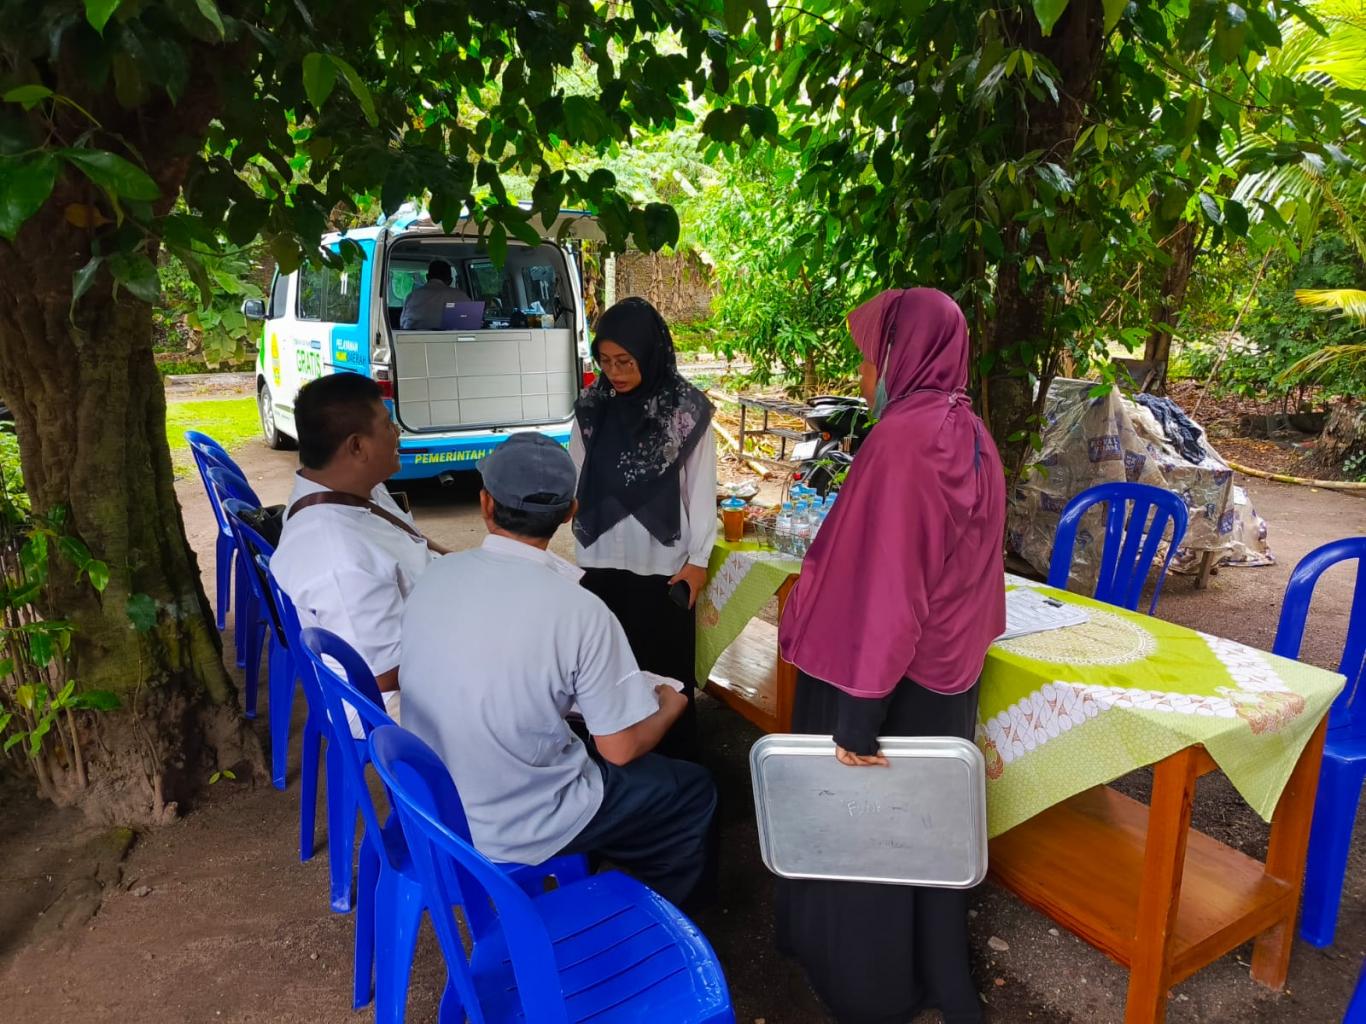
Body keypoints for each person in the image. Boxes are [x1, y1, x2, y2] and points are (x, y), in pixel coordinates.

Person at [774, 288, 1006, 1024]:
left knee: (867, 836)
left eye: (872, 358)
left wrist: (858, 718)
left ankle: (869, 990)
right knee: (923, 838)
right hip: (945, 678)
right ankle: (936, 975)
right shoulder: (969, 430)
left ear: (905, 355)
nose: (865, 375)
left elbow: (887, 591)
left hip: (882, 680)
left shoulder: (904, 441)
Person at [400, 433, 717, 907]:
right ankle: (660, 920)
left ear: (485, 503)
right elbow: (620, 750)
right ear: (571, 512)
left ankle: (605, 871)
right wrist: (671, 706)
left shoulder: (436, 574)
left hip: (430, 801)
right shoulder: (581, 611)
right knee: (692, 789)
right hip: (518, 822)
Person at [570, 297, 716, 761]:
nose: (614, 372)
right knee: (605, 680)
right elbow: (577, 479)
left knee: (666, 679)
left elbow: (701, 491)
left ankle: (676, 780)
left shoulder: (685, 412)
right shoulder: (592, 409)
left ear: (650, 354)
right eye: (605, 361)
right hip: (600, 565)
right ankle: (610, 778)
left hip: (664, 570)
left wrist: (698, 560)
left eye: (625, 361)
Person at [272, 373, 447, 724]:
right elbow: (382, 676)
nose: (397, 432)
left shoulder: (358, 487)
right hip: (392, 709)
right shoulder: (340, 558)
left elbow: (411, 538)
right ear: (357, 447)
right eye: (387, 425)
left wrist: (459, 564)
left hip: (429, 631)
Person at [398, 259, 471, 330]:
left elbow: (403, 325)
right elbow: (471, 324)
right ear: (450, 280)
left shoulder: (412, 296)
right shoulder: (461, 296)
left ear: (427, 277)